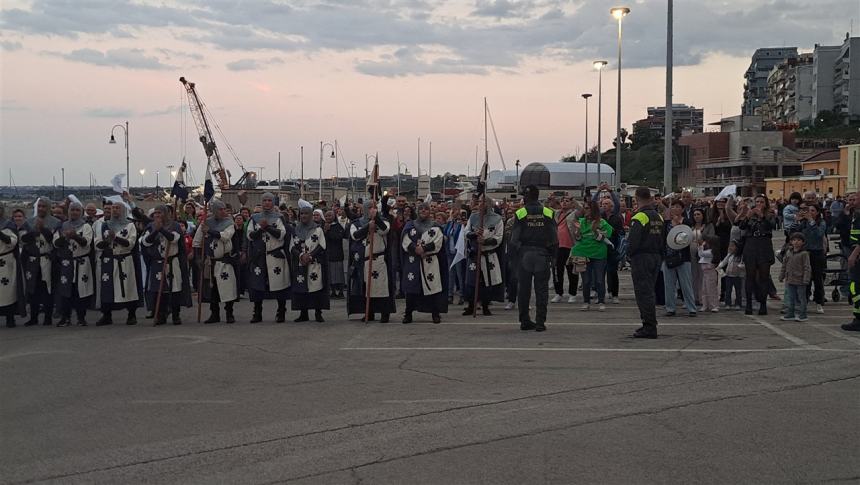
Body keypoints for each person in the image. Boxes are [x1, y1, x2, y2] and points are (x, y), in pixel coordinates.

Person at [508, 185, 557, 331]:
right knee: (541, 290)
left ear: (527, 197)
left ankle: (524, 320)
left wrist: (512, 258)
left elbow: (514, 239)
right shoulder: (548, 212)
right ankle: (540, 322)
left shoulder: (520, 213)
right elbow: (554, 237)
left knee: (524, 289)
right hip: (542, 254)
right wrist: (555, 256)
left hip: (525, 254)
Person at [141, 204, 192, 325]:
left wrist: (162, 230)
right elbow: (146, 242)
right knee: (159, 290)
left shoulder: (174, 225)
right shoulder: (150, 226)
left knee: (174, 289)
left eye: (160, 213)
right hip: (157, 262)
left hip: (171, 261)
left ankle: (175, 315)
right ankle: (161, 315)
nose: (157, 215)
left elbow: (174, 238)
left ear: (165, 213)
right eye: (155, 213)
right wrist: (155, 231)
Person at [246, 192, 292, 323]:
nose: (267, 203)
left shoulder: (279, 217)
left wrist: (267, 227)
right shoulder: (254, 218)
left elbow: (281, 235)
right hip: (259, 256)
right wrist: (261, 229)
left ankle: (281, 312)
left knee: (279, 285)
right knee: (257, 285)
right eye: (264, 200)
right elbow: (250, 236)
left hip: (275, 255)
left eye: (269, 200)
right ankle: (257, 312)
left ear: (273, 202)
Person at [94, 202, 142, 325]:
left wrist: (115, 238)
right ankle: (106, 315)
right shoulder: (105, 225)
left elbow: (130, 244)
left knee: (128, 287)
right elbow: (98, 244)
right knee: (107, 288)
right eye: (113, 208)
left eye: (117, 208)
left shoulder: (130, 225)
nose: (114, 210)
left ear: (123, 210)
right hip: (109, 260)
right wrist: (108, 241)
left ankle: (131, 314)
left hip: (125, 260)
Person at [400, 202, 448, 324]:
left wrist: (424, 249)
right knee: (411, 289)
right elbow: (405, 240)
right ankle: (408, 314)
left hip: (430, 261)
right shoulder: (410, 225)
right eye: (421, 209)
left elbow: (438, 242)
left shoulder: (435, 226)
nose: (423, 211)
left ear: (429, 212)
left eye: (425, 209)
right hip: (413, 261)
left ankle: (435, 314)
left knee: (433, 289)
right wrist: (415, 249)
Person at [627, 187, 666, 338]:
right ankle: (649, 324)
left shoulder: (640, 217)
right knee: (649, 290)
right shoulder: (658, 217)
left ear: (636, 199)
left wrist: (628, 255)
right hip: (656, 256)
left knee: (644, 293)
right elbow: (663, 238)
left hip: (641, 257)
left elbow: (633, 241)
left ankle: (649, 326)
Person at [348, 200, 395, 322]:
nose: (372, 210)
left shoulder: (383, 221)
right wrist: (367, 226)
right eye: (369, 208)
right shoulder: (356, 223)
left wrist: (376, 220)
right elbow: (355, 236)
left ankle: (385, 313)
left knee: (381, 287)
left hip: (378, 260)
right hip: (364, 260)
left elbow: (385, 230)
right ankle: (369, 312)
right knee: (366, 288)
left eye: (374, 207)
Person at [195, 199, 239, 324]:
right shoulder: (206, 223)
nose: (223, 211)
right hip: (211, 261)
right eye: (220, 209)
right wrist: (198, 257)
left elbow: (225, 236)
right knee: (212, 290)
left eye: (224, 209)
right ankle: (214, 314)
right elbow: (197, 241)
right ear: (214, 210)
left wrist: (209, 231)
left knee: (227, 288)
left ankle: (229, 313)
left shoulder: (229, 223)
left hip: (224, 261)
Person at [52, 201, 95, 326]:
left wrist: (75, 236)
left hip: (81, 263)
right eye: (72, 210)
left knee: (80, 290)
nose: (74, 212)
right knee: (66, 290)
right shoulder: (62, 226)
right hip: (66, 263)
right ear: (68, 211)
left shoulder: (86, 226)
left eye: (77, 210)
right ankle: (66, 317)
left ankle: (81, 317)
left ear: (81, 212)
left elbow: (86, 242)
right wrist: (65, 237)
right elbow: (55, 243)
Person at [20, 198, 61, 326]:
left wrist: (43, 229)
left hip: (47, 259)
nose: (41, 208)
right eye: (40, 206)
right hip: (33, 260)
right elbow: (23, 239)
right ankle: (33, 317)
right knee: (33, 289)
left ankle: (47, 317)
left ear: (48, 208)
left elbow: (54, 242)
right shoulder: (29, 222)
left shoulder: (56, 222)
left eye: (44, 206)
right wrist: (34, 232)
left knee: (47, 289)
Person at [463, 196, 505, 316]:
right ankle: (471, 305)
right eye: (479, 201)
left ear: (488, 204)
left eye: (483, 202)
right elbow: (466, 232)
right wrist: (474, 234)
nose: (480, 204)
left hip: (488, 254)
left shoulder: (497, 219)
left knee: (487, 282)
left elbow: (498, 238)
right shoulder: (473, 216)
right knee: (471, 282)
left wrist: (485, 241)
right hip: (475, 254)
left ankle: (485, 305)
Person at [737, 195, 776, 315]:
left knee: (764, 277)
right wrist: (747, 216)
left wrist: (762, 216)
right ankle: (749, 304)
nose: (759, 204)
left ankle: (763, 304)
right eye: (757, 202)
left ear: (766, 204)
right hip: (751, 245)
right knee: (750, 277)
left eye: (762, 202)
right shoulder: (751, 215)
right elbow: (741, 227)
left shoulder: (770, 214)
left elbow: (771, 226)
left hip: (764, 245)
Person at [290, 205, 330, 322]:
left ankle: (318, 312)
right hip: (301, 264)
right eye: (301, 214)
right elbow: (292, 247)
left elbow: (322, 245)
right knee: (301, 288)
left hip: (314, 264)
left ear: (311, 215)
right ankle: (303, 313)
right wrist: (301, 255)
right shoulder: (296, 230)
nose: (303, 216)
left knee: (316, 288)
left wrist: (310, 255)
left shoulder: (318, 229)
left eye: (306, 213)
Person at [571, 201, 613, 311]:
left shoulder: (602, 222)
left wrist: (595, 231)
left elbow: (607, 236)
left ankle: (601, 300)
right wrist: (578, 231)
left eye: (588, 208)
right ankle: (586, 302)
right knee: (586, 280)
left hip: (599, 254)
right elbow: (578, 239)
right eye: (584, 208)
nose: (585, 210)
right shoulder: (581, 222)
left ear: (593, 209)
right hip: (583, 254)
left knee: (599, 279)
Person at [662, 200, 697, 317]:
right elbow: (663, 240)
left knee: (686, 284)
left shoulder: (687, 222)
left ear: (682, 210)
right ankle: (670, 308)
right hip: (669, 256)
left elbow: (686, 238)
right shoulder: (666, 223)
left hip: (683, 257)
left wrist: (678, 225)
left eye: (678, 207)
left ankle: (691, 307)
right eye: (673, 207)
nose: (675, 209)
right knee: (669, 284)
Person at [798, 204, 827, 314]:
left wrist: (811, 222)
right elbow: (795, 233)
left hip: (817, 253)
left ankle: (819, 302)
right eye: (808, 210)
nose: (810, 213)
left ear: (817, 212)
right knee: (805, 279)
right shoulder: (804, 222)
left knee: (818, 279)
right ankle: (804, 301)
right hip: (805, 252)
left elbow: (819, 234)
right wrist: (797, 221)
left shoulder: (822, 222)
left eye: (813, 211)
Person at [0, 203, 25, 327]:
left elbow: (12, 241)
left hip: (6, 261)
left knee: (8, 291)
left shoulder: (8, 225)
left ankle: (10, 318)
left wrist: (1, 234)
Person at [838, 192, 860, 332]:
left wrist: (854, 253)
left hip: (857, 254)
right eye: (849, 199)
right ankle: (857, 317)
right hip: (853, 250)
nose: (851, 201)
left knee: (856, 285)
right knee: (855, 286)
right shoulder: (853, 215)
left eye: (854, 199)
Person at [552, 197, 579, 304]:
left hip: (570, 246)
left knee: (572, 271)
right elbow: (545, 207)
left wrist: (574, 200)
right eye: (562, 201)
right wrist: (550, 199)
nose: (564, 202)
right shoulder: (557, 214)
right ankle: (558, 293)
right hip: (558, 246)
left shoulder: (574, 213)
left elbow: (581, 208)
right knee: (557, 271)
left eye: (567, 201)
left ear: (572, 204)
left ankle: (572, 294)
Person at [779, 232, 811, 322]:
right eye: (794, 240)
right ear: (791, 242)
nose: (796, 242)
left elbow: (807, 267)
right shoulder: (789, 252)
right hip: (790, 279)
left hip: (800, 280)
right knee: (790, 297)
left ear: (803, 242)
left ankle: (803, 314)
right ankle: (790, 313)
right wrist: (782, 276)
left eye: (799, 240)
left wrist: (806, 279)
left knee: (801, 298)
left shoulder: (804, 254)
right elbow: (784, 265)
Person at [323, 210, 346, 299]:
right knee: (331, 275)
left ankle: (340, 292)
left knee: (339, 275)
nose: (328, 218)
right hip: (328, 253)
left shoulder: (338, 226)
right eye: (326, 216)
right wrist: (325, 231)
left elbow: (339, 237)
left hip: (337, 254)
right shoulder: (323, 226)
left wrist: (328, 231)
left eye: (330, 216)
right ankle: (332, 291)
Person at [717, 240, 745, 310]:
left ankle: (738, 303)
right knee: (728, 290)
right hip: (728, 276)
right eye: (730, 246)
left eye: (732, 246)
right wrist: (720, 267)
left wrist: (740, 266)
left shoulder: (740, 256)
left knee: (738, 291)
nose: (730, 247)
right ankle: (728, 303)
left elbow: (743, 265)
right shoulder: (729, 255)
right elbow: (724, 262)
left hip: (737, 276)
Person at [698, 235, 721, 313]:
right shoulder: (709, 251)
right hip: (705, 273)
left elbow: (701, 254)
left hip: (710, 272)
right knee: (704, 289)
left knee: (711, 289)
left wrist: (701, 245)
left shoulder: (711, 252)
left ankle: (714, 305)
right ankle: (705, 305)